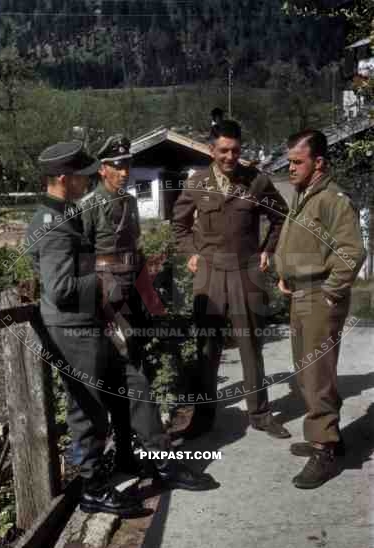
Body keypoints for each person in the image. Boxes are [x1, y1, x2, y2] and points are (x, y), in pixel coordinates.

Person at [77, 135, 217, 491]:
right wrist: (98, 305)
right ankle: (161, 460)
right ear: (102, 168)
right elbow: (81, 262)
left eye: (128, 165)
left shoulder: (128, 202)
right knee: (134, 381)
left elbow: (135, 254)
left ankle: (127, 454)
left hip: (130, 301)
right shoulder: (89, 205)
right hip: (106, 303)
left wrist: (149, 299)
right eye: (118, 165)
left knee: (131, 377)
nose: (125, 172)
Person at [172, 119, 290, 440]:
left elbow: (280, 217)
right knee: (207, 347)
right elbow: (179, 226)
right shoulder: (197, 182)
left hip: (246, 270)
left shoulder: (257, 181)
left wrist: (268, 249)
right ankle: (204, 416)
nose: (229, 156)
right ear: (212, 150)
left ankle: (261, 414)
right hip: (209, 273)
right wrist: (191, 253)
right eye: (223, 150)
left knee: (250, 343)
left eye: (235, 150)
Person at [275, 129, 366, 489]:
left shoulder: (332, 198)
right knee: (306, 371)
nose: (291, 168)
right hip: (301, 294)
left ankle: (324, 447)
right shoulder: (304, 195)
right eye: (290, 162)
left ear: (319, 163)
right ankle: (329, 435)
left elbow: (353, 250)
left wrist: (330, 291)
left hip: (318, 298)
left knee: (316, 374)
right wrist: (288, 275)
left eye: (298, 162)